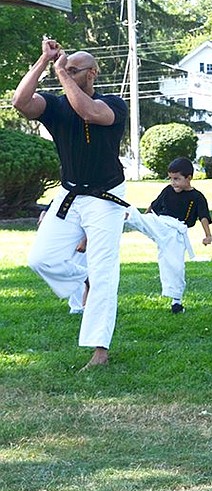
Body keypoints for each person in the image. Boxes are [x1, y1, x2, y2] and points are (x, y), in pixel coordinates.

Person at [13, 38, 129, 370]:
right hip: (70, 196)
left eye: (74, 69)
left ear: (92, 73)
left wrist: (61, 72)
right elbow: (20, 101)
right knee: (41, 259)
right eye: (66, 68)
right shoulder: (56, 106)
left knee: (105, 271)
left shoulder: (113, 104)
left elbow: (90, 113)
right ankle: (83, 281)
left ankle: (99, 350)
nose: (65, 72)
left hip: (105, 198)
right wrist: (43, 60)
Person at [127, 157, 212, 314]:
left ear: (189, 178)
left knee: (174, 266)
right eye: (171, 179)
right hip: (160, 224)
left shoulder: (197, 197)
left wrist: (208, 235)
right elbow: (153, 206)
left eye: (177, 179)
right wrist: (144, 218)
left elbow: (203, 216)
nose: (174, 183)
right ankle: (127, 214)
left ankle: (176, 300)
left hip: (176, 232)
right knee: (144, 220)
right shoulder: (168, 190)